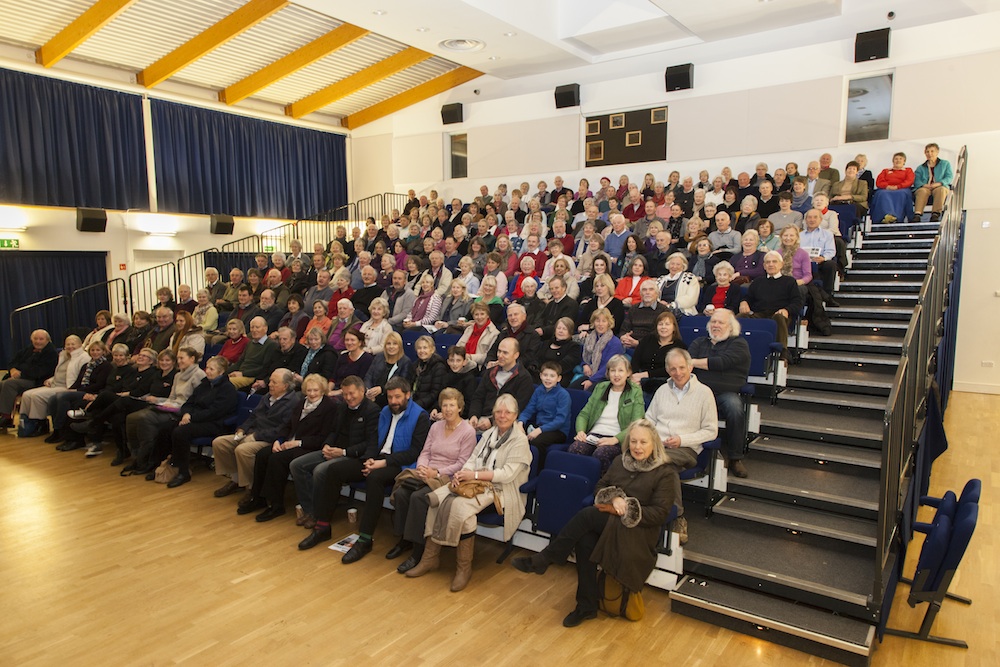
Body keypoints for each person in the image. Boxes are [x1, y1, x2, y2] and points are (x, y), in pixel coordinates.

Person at [512, 419, 679, 627]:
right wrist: (614, 497)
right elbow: (600, 486)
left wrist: (626, 507)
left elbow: (660, 514)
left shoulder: (665, 472)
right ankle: (586, 606)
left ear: (654, 443)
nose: (637, 447)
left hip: (638, 532)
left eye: (643, 442)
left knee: (589, 515)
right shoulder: (620, 461)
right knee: (585, 540)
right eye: (634, 441)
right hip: (611, 523)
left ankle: (547, 558)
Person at [405, 394, 532, 592]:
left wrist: (473, 474)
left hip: (500, 489)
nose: (502, 416)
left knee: (459, 507)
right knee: (438, 500)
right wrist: (461, 474)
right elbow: (473, 457)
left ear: (515, 415)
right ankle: (430, 559)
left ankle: (462, 569)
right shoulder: (490, 433)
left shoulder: (520, 440)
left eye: (507, 412)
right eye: (498, 411)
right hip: (474, 482)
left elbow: (507, 474)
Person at [329, 378, 432, 564]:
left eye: (398, 397)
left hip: (401, 465)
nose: (393, 401)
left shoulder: (420, 416)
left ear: (408, 395)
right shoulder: (385, 411)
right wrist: (370, 459)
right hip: (378, 459)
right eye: (390, 397)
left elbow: (413, 453)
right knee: (336, 468)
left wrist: (381, 463)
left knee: (375, 478)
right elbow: (374, 439)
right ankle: (322, 524)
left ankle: (365, 539)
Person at [389, 388, 476, 573]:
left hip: (448, 478)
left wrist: (436, 472)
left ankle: (419, 552)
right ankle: (405, 538)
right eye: (444, 405)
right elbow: (425, 452)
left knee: (419, 498)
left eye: (452, 405)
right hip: (427, 472)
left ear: (460, 407)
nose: (448, 409)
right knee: (403, 492)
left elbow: (462, 463)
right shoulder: (435, 426)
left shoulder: (468, 432)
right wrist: (421, 468)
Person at [645, 348, 719, 543]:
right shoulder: (662, 390)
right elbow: (648, 419)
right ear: (667, 370)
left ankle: (677, 516)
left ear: (690, 366)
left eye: (681, 368)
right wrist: (653, 439)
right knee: (634, 458)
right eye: (672, 369)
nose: (677, 373)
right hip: (658, 445)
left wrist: (681, 440)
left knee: (659, 462)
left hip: (686, 448)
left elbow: (711, 431)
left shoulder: (704, 393)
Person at [242, 374, 338, 521]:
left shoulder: (329, 408)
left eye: (316, 391)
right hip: (288, 442)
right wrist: (278, 440)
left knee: (277, 459)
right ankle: (257, 498)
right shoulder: (301, 403)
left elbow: (322, 437)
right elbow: (287, 425)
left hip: (307, 446)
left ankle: (276, 505)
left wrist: (297, 442)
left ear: (323, 391)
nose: (312, 394)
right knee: (262, 454)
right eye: (309, 390)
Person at [211, 368, 300, 499]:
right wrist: (242, 429)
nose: (269, 384)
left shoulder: (293, 403)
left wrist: (256, 436)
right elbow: (253, 417)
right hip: (252, 433)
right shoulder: (267, 397)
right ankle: (236, 480)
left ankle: (252, 487)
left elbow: (282, 429)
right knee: (220, 443)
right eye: (270, 381)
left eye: (274, 382)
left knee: (243, 450)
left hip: (269, 439)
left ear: (285, 386)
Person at [688, 309, 752, 479]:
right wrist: (694, 363)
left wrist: (694, 362)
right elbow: (686, 364)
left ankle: (735, 457)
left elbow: (721, 363)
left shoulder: (738, 343)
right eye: (713, 322)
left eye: (720, 322)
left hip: (725, 392)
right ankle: (690, 452)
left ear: (731, 327)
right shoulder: (699, 342)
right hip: (699, 391)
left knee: (735, 407)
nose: (715, 325)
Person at [125, 347, 206, 476]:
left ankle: (147, 460)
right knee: (132, 418)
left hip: (182, 411)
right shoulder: (178, 375)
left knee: (145, 419)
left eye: (181, 358)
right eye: (178, 358)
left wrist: (178, 408)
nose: (179, 361)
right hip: (171, 406)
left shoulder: (199, 375)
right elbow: (172, 397)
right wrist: (165, 403)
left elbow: (197, 401)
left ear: (192, 359)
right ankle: (139, 456)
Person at [164, 356, 239, 488]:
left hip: (215, 424)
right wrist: (186, 413)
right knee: (167, 425)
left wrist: (191, 418)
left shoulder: (227, 389)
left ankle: (183, 472)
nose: (207, 371)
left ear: (221, 372)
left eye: (211, 369)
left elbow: (214, 412)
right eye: (207, 368)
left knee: (181, 431)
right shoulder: (204, 384)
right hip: (196, 418)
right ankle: (164, 464)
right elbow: (189, 403)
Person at [568, 354, 646, 473]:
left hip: (617, 438)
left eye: (620, 370)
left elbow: (637, 423)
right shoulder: (601, 387)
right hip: (593, 435)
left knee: (601, 453)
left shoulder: (635, 391)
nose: (616, 374)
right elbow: (584, 414)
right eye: (612, 370)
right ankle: (578, 485)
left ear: (628, 372)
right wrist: (580, 432)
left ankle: (600, 487)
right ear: (608, 373)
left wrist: (615, 439)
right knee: (575, 449)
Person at [15, 334, 85, 437]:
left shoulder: (83, 357)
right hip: (55, 383)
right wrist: (51, 379)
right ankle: (27, 424)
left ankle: (41, 423)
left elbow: (78, 377)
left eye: (73, 344)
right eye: (68, 344)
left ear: (80, 345)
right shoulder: (63, 355)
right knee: (26, 395)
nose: (70, 346)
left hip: (67, 386)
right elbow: (59, 373)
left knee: (36, 396)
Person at [739, 251, 803, 356]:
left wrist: (787, 310)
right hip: (759, 314)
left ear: (781, 264)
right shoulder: (758, 282)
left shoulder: (790, 281)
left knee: (778, 317)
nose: (771, 264)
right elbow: (748, 297)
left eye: (774, 262)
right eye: (768, 262)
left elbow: (797, 302)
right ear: (764, 266)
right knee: (741, 316)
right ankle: (736, 349)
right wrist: (744, 302)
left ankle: (782, 354)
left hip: (780, 314)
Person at [468, 338, 534, 430]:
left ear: (516, 355)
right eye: (499, 351)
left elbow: (518, 408)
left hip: (505, 423)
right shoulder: (490, 373)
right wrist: (474, 415)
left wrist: (492, 421)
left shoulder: (524, 378)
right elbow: (478, 397)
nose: (500, 355)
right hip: (482, 418)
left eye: (505, 353)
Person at [518, 362, 572, 464]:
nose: (548, 379)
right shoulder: (539, 390)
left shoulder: (563, 395)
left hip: (557, 431)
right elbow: (529, 409)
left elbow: (560, 420)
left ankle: (537, 469)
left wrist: (540, 430)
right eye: (545, 375)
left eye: (552, 376)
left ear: (559, 378)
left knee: (537, 442)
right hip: (539, 426)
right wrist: (520, 422)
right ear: (540, 376)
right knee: (515, 434)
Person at [630, 311, 687, 394]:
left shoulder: (679, 346)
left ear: (674, 327)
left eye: (667, 324)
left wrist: (644, 375)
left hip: (663, 381)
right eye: (660, 324)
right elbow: (635, 359)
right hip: (639, 376)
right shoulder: (648, 339)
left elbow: (670, 369)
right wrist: (635, 376)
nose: (663, 327)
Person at [574, 308, 624, 391]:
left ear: (609, 323)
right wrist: (585, 365)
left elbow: (608, 367)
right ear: (593, 323)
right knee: (572, 388)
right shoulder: (590, 338)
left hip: (605, 378)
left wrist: (591, 380)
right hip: (589, 374)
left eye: (604, 321)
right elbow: (584, 356)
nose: (600, 324)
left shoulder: (615, 343)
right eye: (597, 321)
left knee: (589, 391)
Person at [228, 317, 278, 390]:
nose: (254, 330)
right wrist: (223, 373)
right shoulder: (250, 343)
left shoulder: (271, 345)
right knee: (217, 379)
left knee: (226, 383)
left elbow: (264, 368)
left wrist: (242, 374)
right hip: (240, 374)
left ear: (265, 328)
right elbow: (240, 362)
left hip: (251, 377)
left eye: (257, 327)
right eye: (252, 327)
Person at [619, 281, 668, 349]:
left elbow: (659, 334)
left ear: (657, 294)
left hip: (651, 346)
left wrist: (638, 343)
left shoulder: (663, 310)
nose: (647, 292)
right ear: (641, 294)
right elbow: (624, 329)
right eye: (644, 290)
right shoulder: (633, 309)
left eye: (651, 289)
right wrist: (623, 337)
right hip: (629, 344)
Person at [912, 142, 953, 222]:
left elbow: (949, 177)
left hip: (939, 186)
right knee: (922, 191)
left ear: (937, 152)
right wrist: (924, 185)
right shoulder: (920, 168)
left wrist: (940, 183)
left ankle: (935, 214)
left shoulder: (945, 164)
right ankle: (917, 214)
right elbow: (916, 180)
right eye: (927, 151)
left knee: (941, 190)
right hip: (925, 187)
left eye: (932, 151)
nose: (929, 153)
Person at [539, 317, 583, 387]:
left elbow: (566, 364)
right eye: (558, 328)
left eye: (564, 329)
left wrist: (549, 374)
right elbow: (537, 359)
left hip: (560, 377)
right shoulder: (546, 343)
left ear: (570, 332)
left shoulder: (574, 347)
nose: (560, 331)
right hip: (541, 374)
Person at [455, 303, 500, 371]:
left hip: (477, 367)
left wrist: (470, 357)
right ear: (473, 316)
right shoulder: (469, 329)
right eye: (476, 314)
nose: (479, 317)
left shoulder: (494, 333)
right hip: (462, 362)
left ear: (487, 315)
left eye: (482, 314)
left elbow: (488, 356)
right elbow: (458, 346)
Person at [657, 253, 700, 317]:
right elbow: (653, 295)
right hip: (660, 310)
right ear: (668, 265)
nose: (674, 267)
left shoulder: (690, 278)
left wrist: (671, 305)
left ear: (683, 266)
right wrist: (659, 303)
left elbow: (691, 298)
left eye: (678, 264)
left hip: (682, 311)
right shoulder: (661, 279)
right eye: (672, 264)